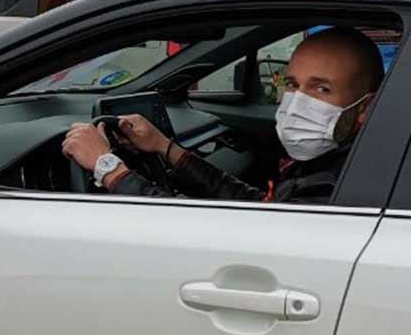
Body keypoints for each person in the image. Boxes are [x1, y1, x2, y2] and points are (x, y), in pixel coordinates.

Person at [62, 27, 385, 204]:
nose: (298, 102)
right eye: (292, 84)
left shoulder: (337, 189)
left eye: (321, 89)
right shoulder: (331, 162)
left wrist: (109, 168)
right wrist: (166, 148)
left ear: (364, 109)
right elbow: (258, 209)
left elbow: (199, 237)